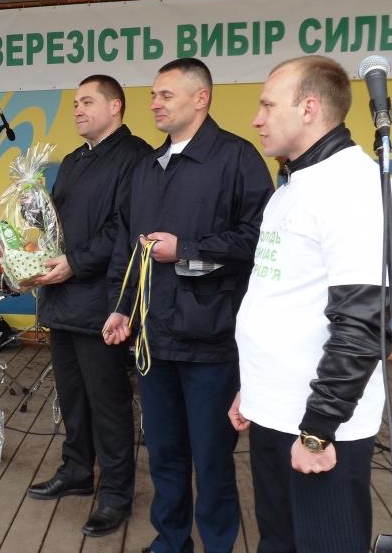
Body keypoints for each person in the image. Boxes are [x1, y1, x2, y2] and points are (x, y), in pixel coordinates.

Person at [228, 55, 392, 553]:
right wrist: (254, 390)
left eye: (268, 105)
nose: (257, 119)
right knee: (278, 542)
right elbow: (282, 297)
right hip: (275, 411)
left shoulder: (357, 190)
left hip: (319, 429)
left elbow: (363, 326)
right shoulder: (292, 186)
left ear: (308, 108)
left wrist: (318, 431)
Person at [102, 58, 273, 553]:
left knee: (213, 458)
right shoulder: (146, 167)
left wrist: (187, 249)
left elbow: (260, 240)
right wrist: (122, 308)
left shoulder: (237, 159)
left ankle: (218, 544)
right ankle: (171, 541)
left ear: (201, 98)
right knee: (163, 453)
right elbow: (130, 248)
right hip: (153, 341)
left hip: (210, 341)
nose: (154, 103)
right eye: (153, 95)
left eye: (166, 95)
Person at [26, 74, 152, 537]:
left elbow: (125, 231)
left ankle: (116, 492)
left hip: (102, 303)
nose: (77, 110)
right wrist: (31, 225)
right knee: (72, 397)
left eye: (87, 101)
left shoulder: (135, 157)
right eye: (75, 103)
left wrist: (75, 263)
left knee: (109, 402)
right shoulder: (74, 160)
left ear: (115, 106)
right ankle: (77, 469)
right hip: (61, 300)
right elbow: (58, 226)